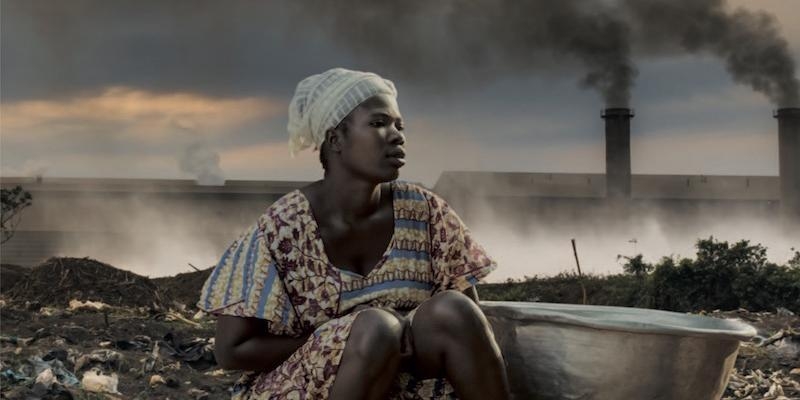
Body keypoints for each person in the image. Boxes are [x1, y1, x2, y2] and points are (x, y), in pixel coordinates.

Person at [197, 68, 510, 400]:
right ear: (336, 140)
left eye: (399, 126)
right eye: (378, 124)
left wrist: (397, 339)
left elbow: (470, 328)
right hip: (307, 386)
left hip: (402, 383)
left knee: (454, 310)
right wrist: (345, 341)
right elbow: (232, 351)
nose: (397, 135)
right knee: (376, 328)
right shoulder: (281, 228)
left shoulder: (427, 212)